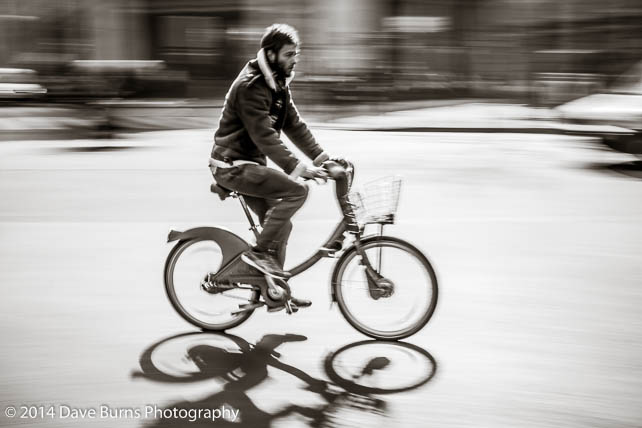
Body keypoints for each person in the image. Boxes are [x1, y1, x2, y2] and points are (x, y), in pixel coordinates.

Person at [210, 24, 330, 292]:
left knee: (281, 226)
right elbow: (264, 136)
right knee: (298, 191)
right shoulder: (250, 86)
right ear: (271, 54)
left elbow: (294, 125)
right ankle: (258, 254)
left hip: (250, 166)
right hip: (232, 166)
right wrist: (299, 167)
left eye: (296, 54)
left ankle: (274, 290)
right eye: (289, 54)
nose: (294, 59)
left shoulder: (277, 85)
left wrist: (323, 158)